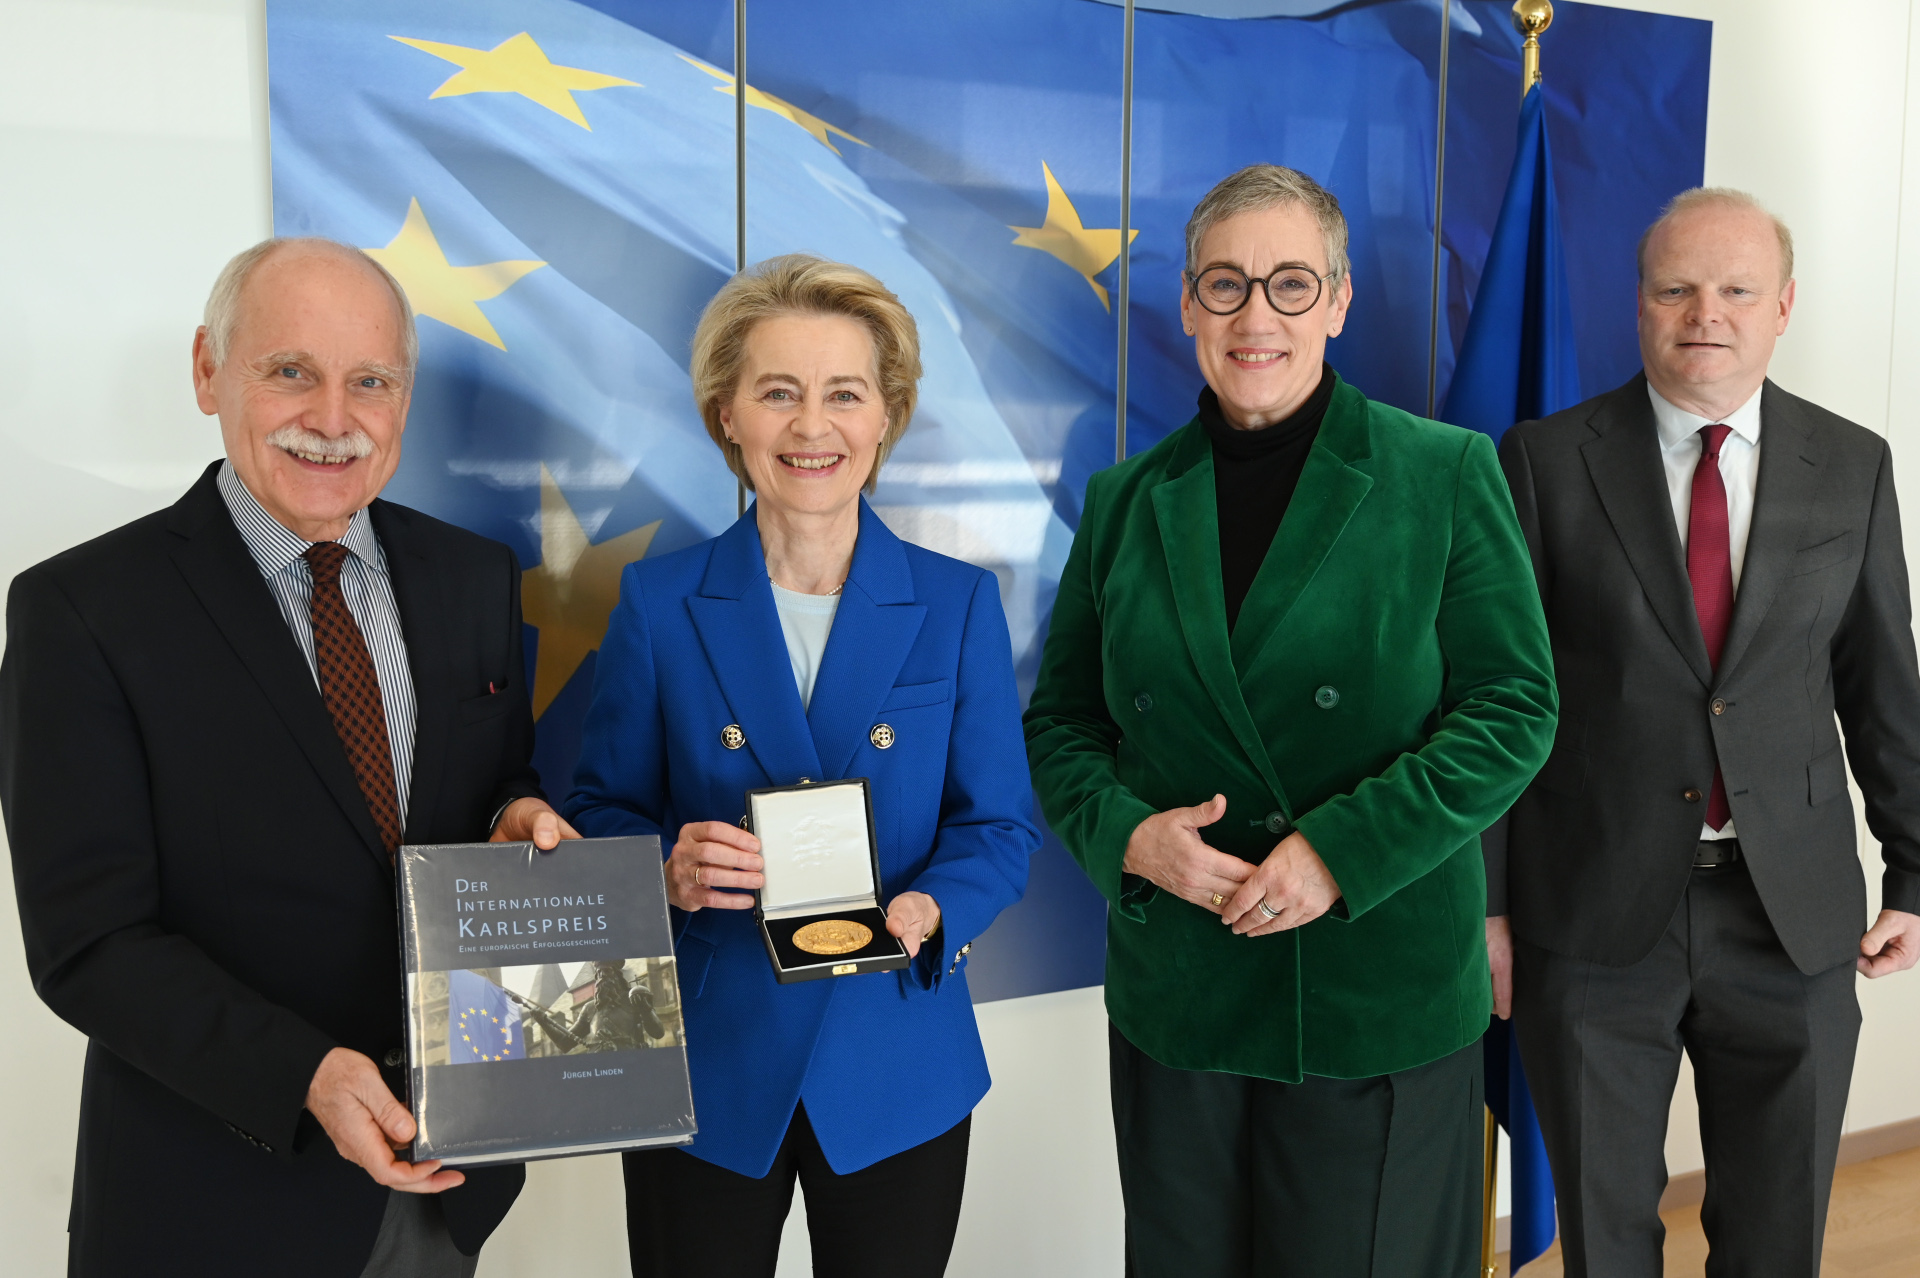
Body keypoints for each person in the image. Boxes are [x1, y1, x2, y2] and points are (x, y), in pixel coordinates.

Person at [0, 237, 577, 1277]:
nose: (332, 417)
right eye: (291, 371)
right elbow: (88, 940)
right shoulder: (81, 611)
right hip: (211, 1200)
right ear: (207, 370)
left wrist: (513, 816)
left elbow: (496, 781)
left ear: (404, 399)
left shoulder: (473, 577)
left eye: (371, 381)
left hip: (447, 1186)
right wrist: (304, 1074)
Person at [1023, 163, 1557, 1276]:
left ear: (1339, 301)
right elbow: (1062, 722)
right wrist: (1130, 838)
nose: (1255, 315)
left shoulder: (1443, 473)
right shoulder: (1124, 501)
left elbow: (1514, 708)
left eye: (1291, 284)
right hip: (1184, 993)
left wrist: (1340, 852)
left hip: (1376, 988)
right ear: (1189, 304)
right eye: (1226, 283)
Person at [563, 253, 1037, 1278]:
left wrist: (933, 909)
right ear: (727, 415)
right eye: (778, 393)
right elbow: (597, 807)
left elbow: (1000, 827)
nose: (812, 426)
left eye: (844, 394)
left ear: (886, 416)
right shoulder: (659, 602)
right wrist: (664, 869)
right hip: (711, 1060)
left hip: (896, 1058)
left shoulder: (956, 605)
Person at [1488, 187, 1920, 1276]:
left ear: (1784, 306)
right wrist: (1485, 907)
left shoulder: (1855, 463)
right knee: (1605, 1240)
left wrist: (1916, 873)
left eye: (1735, 289)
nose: (1705, 314)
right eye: (1676, 288)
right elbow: (1495, 702)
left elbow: (1882, 682)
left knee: (1777, 1243)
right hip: (1591, 916)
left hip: (1792, 919)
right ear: (1639, 303)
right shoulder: (1541, 460)